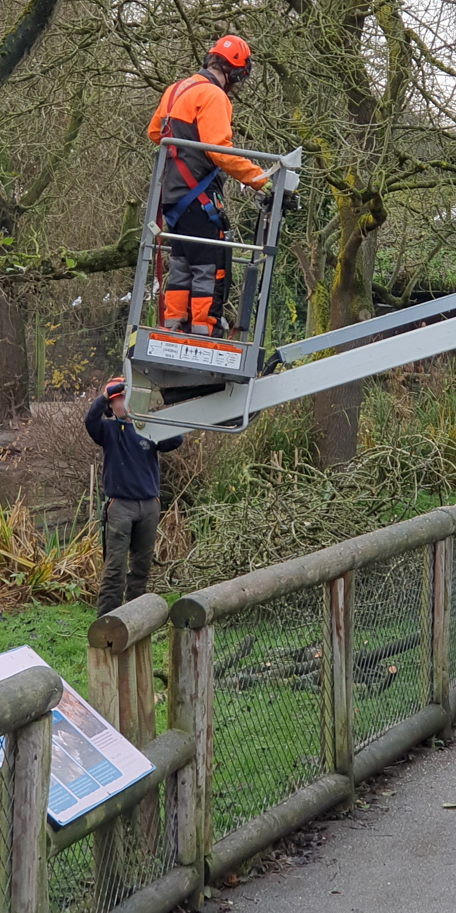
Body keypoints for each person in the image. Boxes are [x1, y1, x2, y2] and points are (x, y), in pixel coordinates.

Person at [147, 35, 272, 336]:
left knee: (181, 261)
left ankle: (175, 322)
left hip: (171, 196)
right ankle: (204, 328)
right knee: (209, 263)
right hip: (198, 196)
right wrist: (260, 180)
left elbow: (154, 133)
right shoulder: (214, 95)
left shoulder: (175, 90)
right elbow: (220, 151)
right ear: (237, 73)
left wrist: (183, 146)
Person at [84, 376, 182, 616]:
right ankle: (107, 620)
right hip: (120, 506)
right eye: (118, 399)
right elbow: (90, 421)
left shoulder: (147, 428)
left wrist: (154, 414)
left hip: (149, 505)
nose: (123, 402)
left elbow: (176, 439)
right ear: (111, 406)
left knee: (141, 567)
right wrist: (104, 395)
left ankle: (135, 618)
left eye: (127, 397)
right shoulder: (107, 430)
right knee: (115, 568)